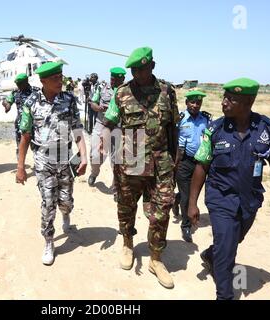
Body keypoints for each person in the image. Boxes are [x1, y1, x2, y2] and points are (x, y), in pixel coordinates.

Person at [188, 77, 270, 300]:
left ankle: (212, 255)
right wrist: (192, 203)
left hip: (250, 201)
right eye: (224, 97)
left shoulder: (266, 129)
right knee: (227, 249)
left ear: (248, 101)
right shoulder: (215, 130)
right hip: (220, 198)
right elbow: (202, 166)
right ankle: (224, 295)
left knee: (231, 242)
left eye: (231, 99)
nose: (224, 102)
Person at [102, 47, 179, 289]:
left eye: (142, 69)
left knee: (162, 211)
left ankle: (156, 259)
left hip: (161, 163)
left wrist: (175, 160)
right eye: (134, 70)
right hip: (131, 162)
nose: (138, 74)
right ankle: (127, 244)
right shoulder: (122, 92)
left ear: (153, 66)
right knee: (126, 206)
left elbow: (172, 128)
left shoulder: (168, 92)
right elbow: (109, 124)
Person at [16, 62, 87, 266]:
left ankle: (66, 216)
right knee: (48, 203)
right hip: (43, 160)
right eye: (55, 78)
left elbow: (77, 131)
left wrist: (83, 157)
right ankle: (49, 241)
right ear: (43, 81)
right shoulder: (30, 103)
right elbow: (25, 136)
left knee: (66, 201)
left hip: (65, 159)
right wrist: (20, 167)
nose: (60, 81)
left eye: (61, 76)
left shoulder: (69, 100)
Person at [174, 90, 211, 242]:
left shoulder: (206, 119)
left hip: (200, 164)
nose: (195, 105)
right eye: (192, 102)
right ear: (186, 103)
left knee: (190, 193)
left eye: (198, 102)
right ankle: (186, 226)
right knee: (188, 196)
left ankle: (176, 199)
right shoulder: (180, 119)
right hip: (184, 161)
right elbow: (173, 139)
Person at [88, 67, 126, 197]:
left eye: (117, 79)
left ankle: (116, 187)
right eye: (112, 78)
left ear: (123, 79)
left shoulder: (126, 91)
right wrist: (98, 107)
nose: (113, 81)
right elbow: (92, 102)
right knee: (95, 154)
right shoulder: (102, 88)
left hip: (117, 127)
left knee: (116, 159)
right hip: (101, 124)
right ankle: (94, 173)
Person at [2, 73, 39, 162]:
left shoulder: (36, 92)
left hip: (35, 124)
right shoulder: (16, 93)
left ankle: (38, 165)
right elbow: (6, 101)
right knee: (20, 145)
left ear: (26, 81)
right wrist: (7, 105)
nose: (18, 86)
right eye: (17, 84)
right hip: (20, 124)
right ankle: (20, 165)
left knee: (36, 145)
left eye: (20, 84)